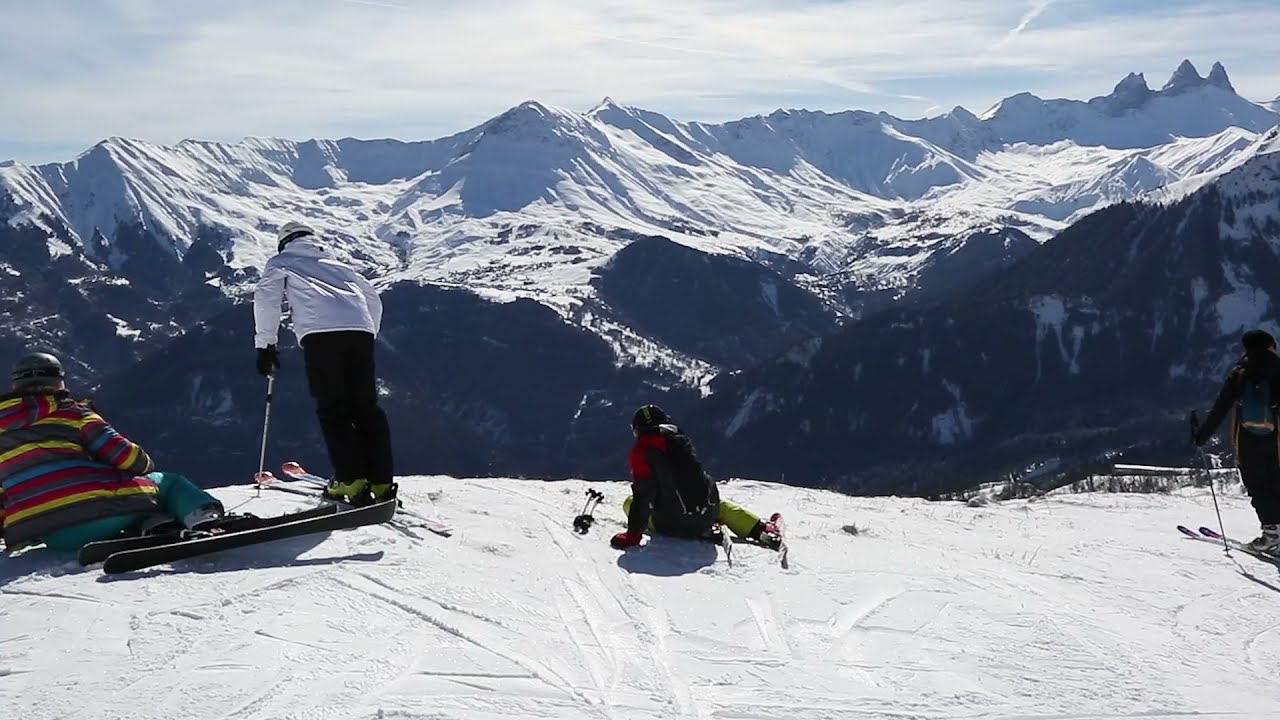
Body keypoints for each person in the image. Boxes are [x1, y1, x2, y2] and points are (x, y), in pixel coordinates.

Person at [0, 351, 224, 553]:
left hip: (55, 536)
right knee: (167, 483)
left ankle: (155, 524)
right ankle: (204, 518)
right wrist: (144, 464)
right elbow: (129, 458)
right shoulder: (74, 413)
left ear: (16, 385)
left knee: (121, 503)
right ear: (59, 381)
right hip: (101, 512)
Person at [253, 221, 396, 505]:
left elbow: (267, 299)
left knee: (333, 407)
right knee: (366, 408)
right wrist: (367, 332)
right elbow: (372, 298)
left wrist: (265, 344)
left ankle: (350, 480)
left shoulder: (282, 261)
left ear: (283, 243)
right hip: (360, 332)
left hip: (320, 335)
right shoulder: (339, 266)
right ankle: (381, 482)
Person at [611, 404, 782, 551]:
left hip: (672, 523)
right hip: (707, 513)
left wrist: (632, 537)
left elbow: (643, 495)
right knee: (723, 508)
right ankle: (761, 528)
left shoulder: (641, 451)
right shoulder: (679, 440)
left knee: (629, 503)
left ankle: (700, 529)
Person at [1193, 328, 1280, 552]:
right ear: (1270, 346)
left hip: (1248, 440)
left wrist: (1202, 435)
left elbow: (1220, 408)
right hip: (1278, 439)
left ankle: (1272, 536)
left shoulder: (1240, 373)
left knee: (1258, 486)